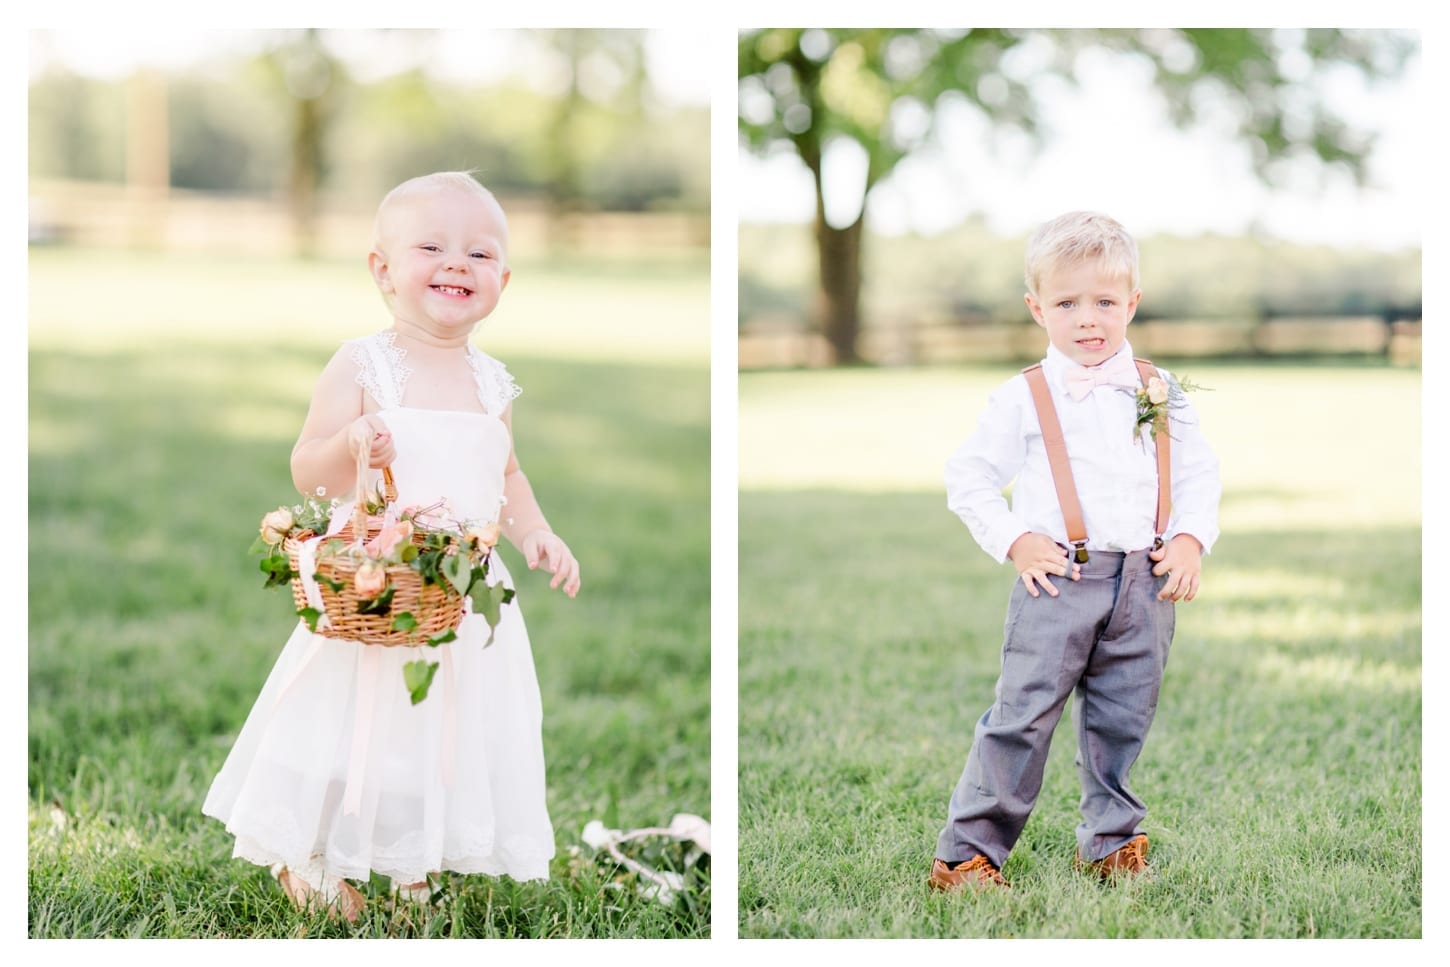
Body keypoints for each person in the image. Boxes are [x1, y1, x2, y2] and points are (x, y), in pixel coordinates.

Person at [204, 171, 581, 921]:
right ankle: (308, 853)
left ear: (503, 279)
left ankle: (416, 856)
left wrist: (536, 531)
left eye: (479, 253)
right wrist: (350, 440)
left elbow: (505, 472)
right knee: (350, 721)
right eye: (432, 246)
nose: (457, 263)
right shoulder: (363, 364)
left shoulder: (493, 381)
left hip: (460, 591)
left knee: (444, 724)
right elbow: (308, 465)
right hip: (381, 579)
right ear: (383, 270)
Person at [929, 211, 1220, 892]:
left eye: (1104, 302)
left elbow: (1199, 471)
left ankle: (1110, 841)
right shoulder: (1024, 395)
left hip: (1144, 582)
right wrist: (1015, 538)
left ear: (1132, 303)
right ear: (1037, 308)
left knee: (1123, 718)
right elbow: (966, 476)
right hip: (1060, 580)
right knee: (1022, 717)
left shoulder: (1158, 387)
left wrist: (1188, 536)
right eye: (1066, 303)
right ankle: (967, 854)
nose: (1087, 319)